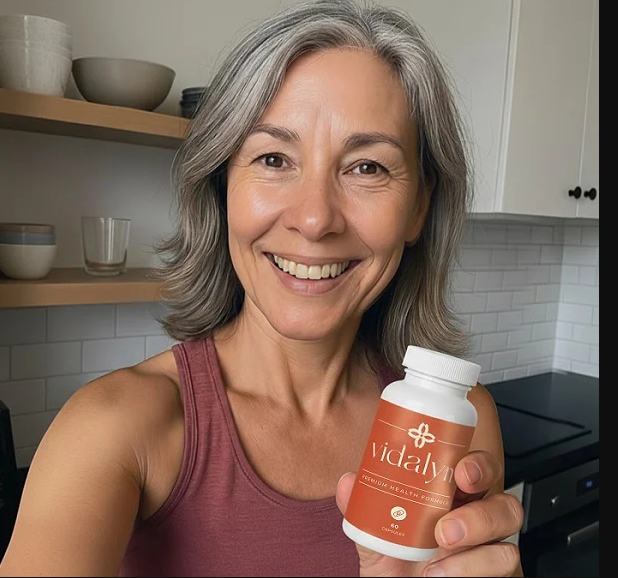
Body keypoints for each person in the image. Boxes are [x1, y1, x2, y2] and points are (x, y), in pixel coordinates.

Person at [0, 1, 523, 576]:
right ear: (222, 185)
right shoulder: (112, 428)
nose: (315, 219)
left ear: (419, 207)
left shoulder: (453, 425)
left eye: (367, 167)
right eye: (274, 158)